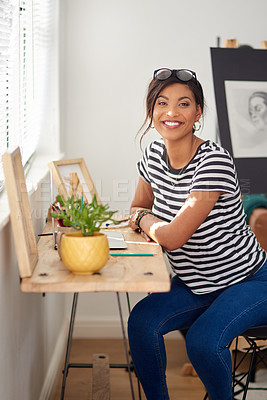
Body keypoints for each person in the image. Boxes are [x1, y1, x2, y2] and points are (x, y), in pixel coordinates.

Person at [127, 68, 267, 400]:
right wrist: (146, 217)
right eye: (162, 103)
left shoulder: (213, 162)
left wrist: (145, 219)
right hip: (198, 284)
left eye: (184, 104)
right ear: (151, 111)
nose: (171, 113)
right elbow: (138, 206)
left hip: (249, 281)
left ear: (198, 113)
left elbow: (171, 235)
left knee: (202, 342)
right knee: (142, 324)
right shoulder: (152, 156)